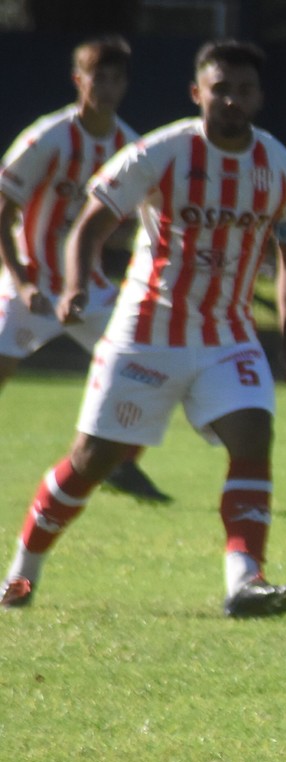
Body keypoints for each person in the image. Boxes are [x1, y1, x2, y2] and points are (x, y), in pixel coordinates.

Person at [0, 40, 286, 617]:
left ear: (260, 98)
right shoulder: (160, 152)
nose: (231, 100)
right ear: (197, 93)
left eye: (244, 90)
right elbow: (91, 224)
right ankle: (22, 571)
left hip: (227, 335)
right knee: (92, 461)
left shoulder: (283, 171)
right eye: (220, 89)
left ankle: (244, 581)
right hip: (145, 332)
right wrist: (73, 284)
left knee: (253, 438)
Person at [0, 34, 170, 504]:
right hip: (31, 284)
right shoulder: (48, 137)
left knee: (143, 366)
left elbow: (144, 225)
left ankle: (120, 463)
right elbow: (4, 211)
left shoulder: (132, 147)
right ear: (79, 80)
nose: (108, 88)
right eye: (100, 77)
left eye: (118, 79)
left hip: (90, 290)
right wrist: (21, 279)